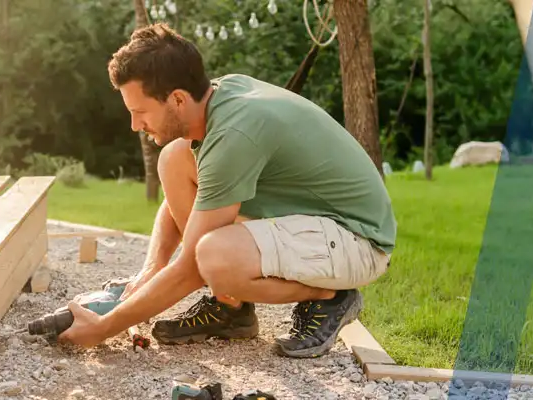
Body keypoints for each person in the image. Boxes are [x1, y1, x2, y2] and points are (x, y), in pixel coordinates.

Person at [58, 22, 397, 359]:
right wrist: (152, 269)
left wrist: (104, 328)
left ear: (177, 99)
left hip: (358, 239)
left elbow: (191, 269)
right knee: (174, 160)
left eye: (140, 112)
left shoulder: (234, 133)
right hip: (318, 223)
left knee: (214, 259)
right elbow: (197, 195)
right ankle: (231, 308)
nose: (135, 125)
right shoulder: (217, 100)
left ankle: (331, 295)